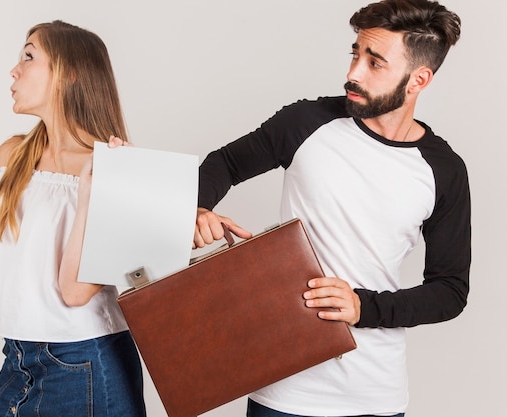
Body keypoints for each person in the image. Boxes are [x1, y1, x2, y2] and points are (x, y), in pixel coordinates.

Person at [193, 0, 470, 416]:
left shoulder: (443, 170)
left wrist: (364, 307)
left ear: (419, 79)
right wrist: (196, 208)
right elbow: (225, 164)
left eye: (375, 63)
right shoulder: (306, 122)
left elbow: (450, 291)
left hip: (375, 394)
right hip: (282, 390)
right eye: (355, 54)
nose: (353, 73)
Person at [0, 21, 146, 417]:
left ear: (69, 73)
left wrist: (94, 193)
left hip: (86, 364)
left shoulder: (117, 168)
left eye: (28, 56)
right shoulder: (13, 156)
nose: (14, 70)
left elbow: (74, 293)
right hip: (17, 359)